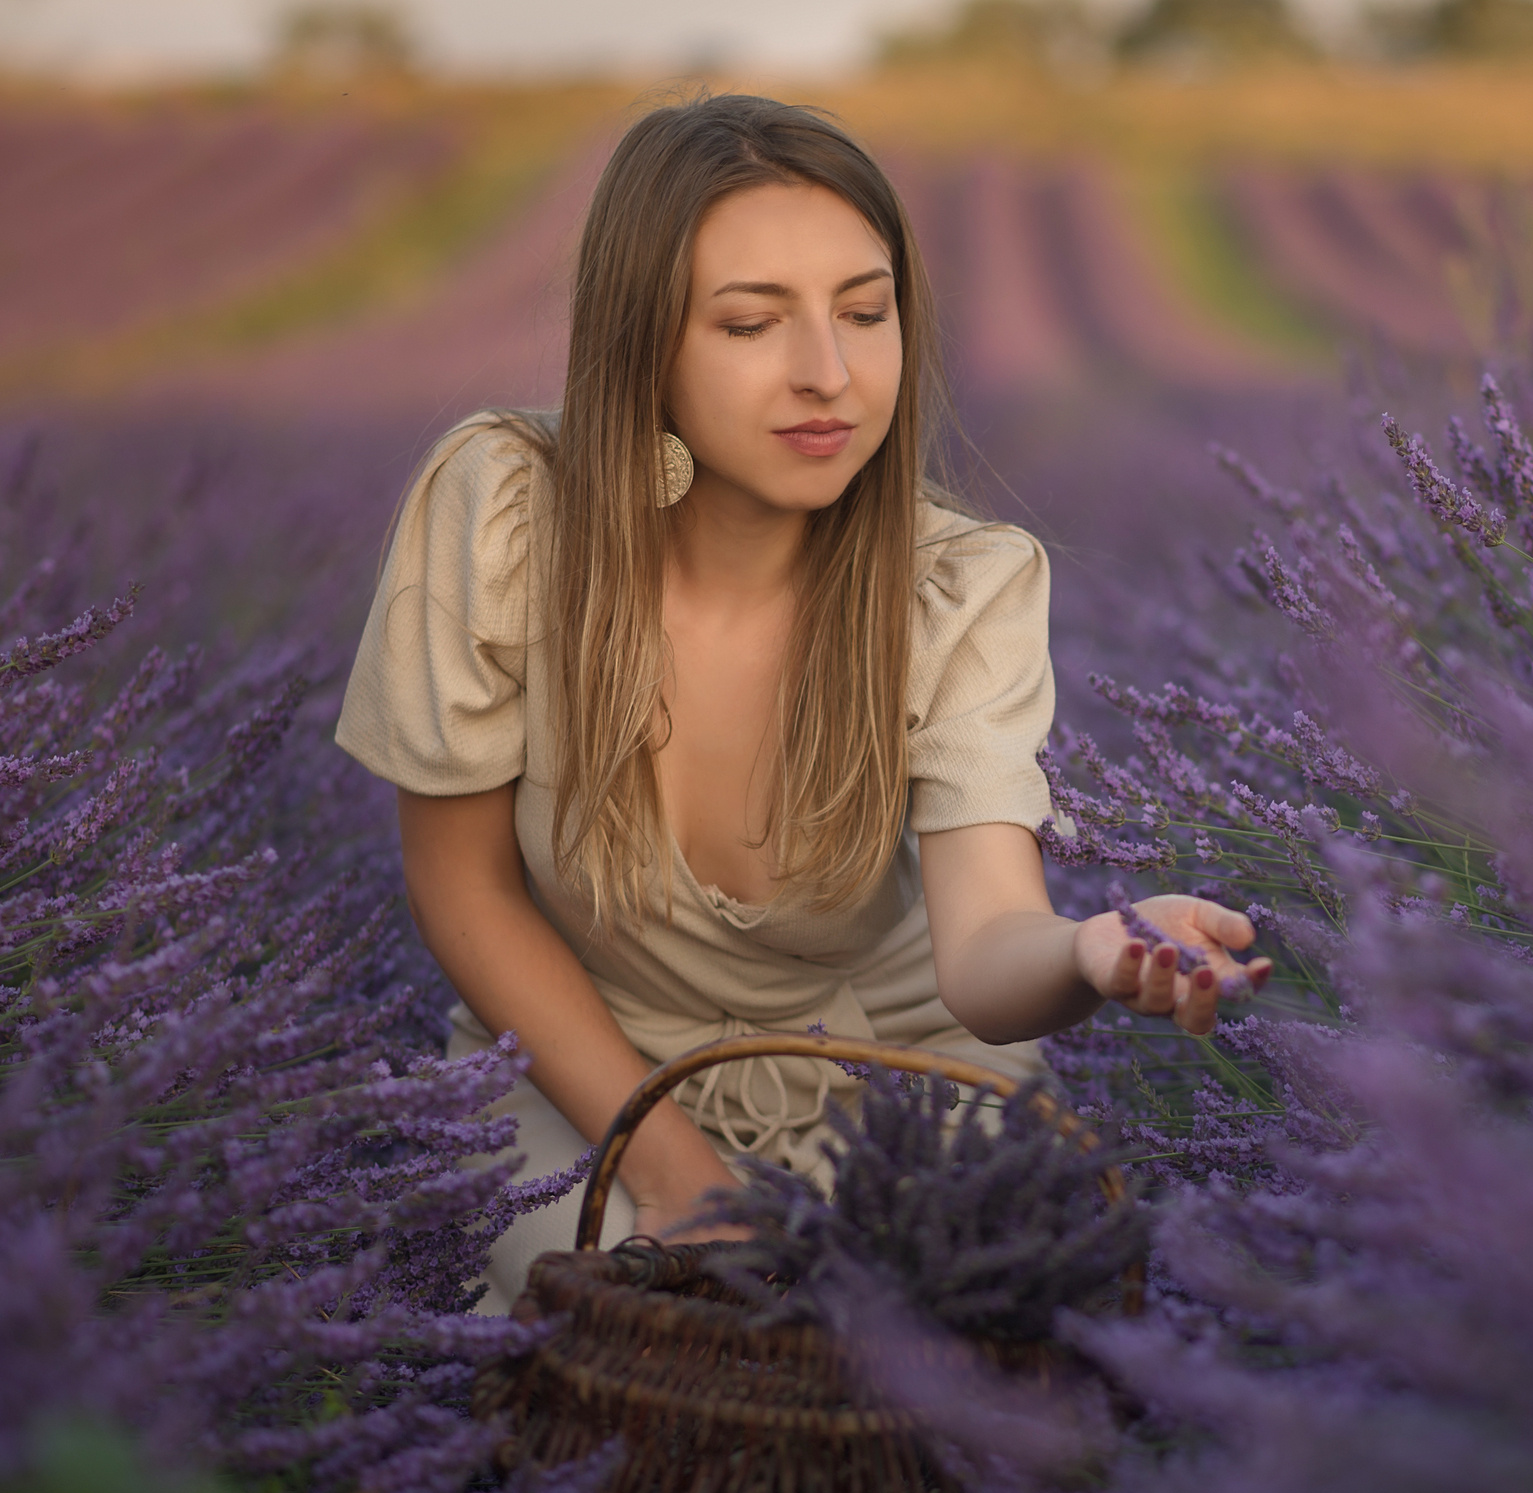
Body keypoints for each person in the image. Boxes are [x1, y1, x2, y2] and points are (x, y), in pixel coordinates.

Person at [335, 94, 1269, 1313]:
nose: (828, 374)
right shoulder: (506, 513)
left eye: (865, 313)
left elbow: (986, 943)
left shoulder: (956, 588)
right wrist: (675, 1174)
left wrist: (1091, 948)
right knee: (610, 1304)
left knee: (960, 1309)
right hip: (584, 1073)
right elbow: (464, 887)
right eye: (750, 322)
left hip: (894, 1078)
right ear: (643, 343)